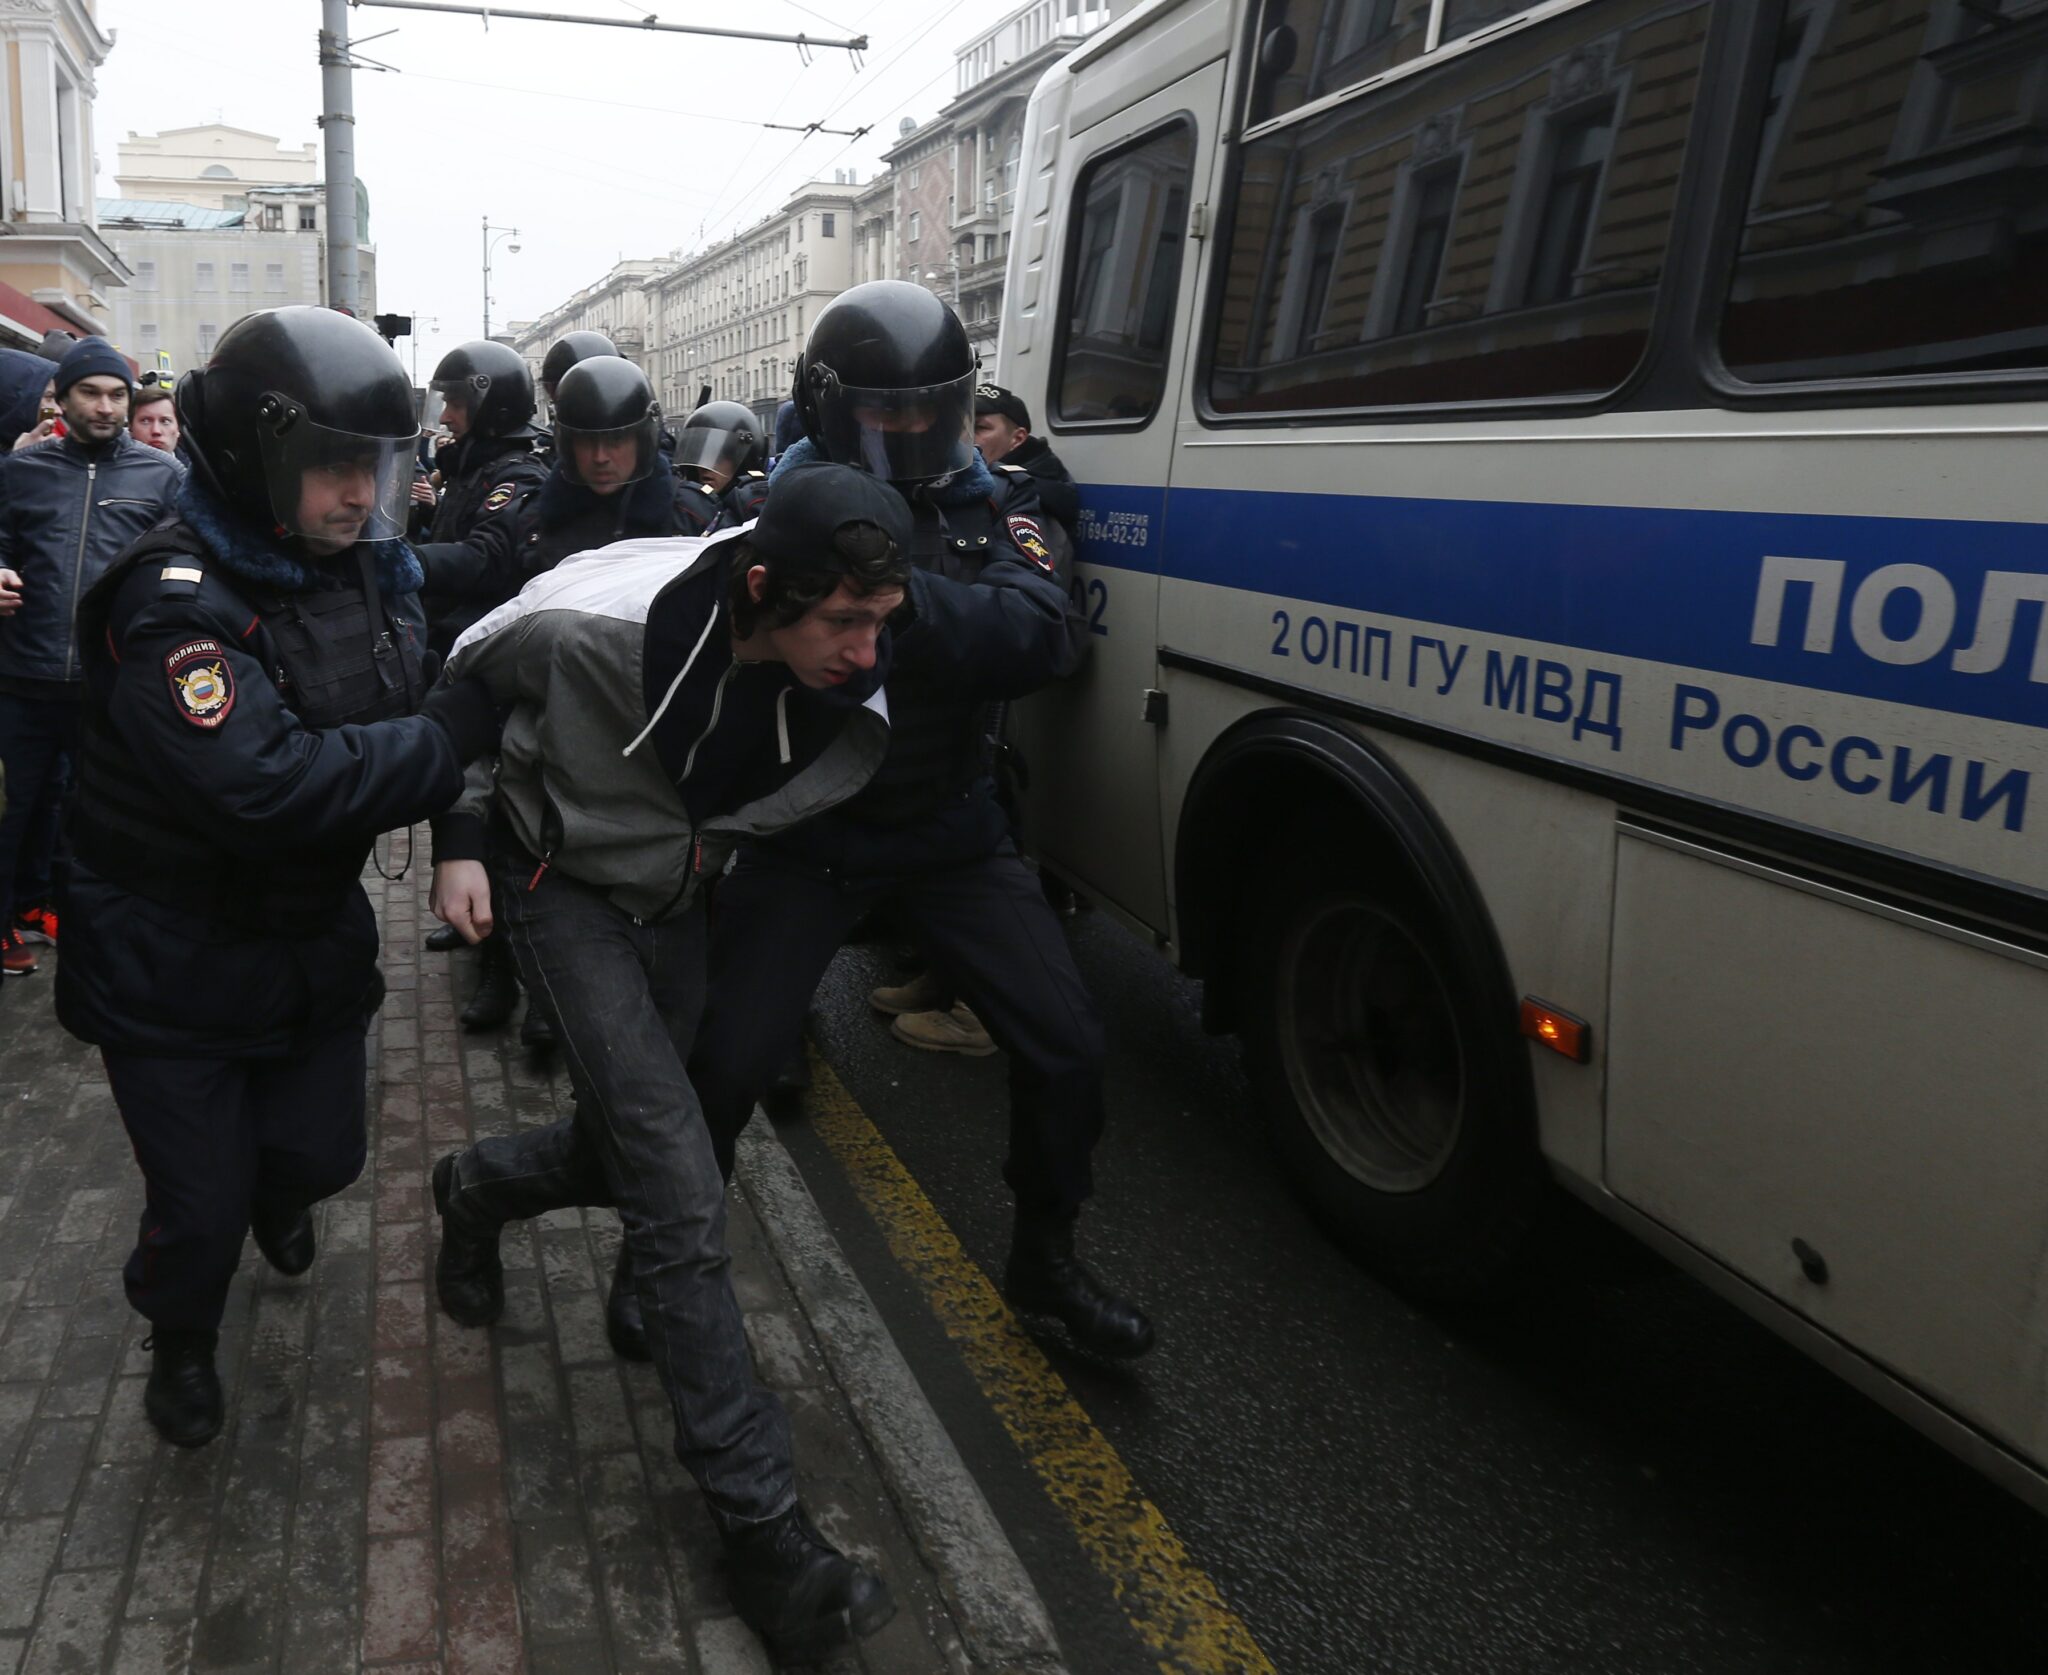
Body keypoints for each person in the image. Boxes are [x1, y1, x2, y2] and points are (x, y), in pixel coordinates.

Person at [425, 463, 917, 1662]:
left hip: (678, 899)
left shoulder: (840, 652)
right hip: (559, 891)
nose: (865, 652)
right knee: (679, 1181)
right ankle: (762, 1530)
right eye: (841, 624)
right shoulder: (588, 632)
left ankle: (477, 1188)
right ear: (759, 588)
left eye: (880, 622)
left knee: (640, 1147)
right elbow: (465, 689)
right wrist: (457, 842)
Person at [54, 306, 499, 1449]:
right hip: (169, 953)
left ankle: (273, 1193)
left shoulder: (355, 568)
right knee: (197, 1210)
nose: (360, 494)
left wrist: (457, 829)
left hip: (302, 936)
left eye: (374, 466)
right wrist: (448, 747)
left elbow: (415, 690)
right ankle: (183, 1337)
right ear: (258, 460)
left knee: (320, 1155)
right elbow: (270, 787)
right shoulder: (174, 601)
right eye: (332, 466)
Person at [687, 282, 1153, 1359]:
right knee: (721, 1066)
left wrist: (890, 590)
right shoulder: (767, 510)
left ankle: (1045, 1260)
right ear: (828, 406)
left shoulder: (994, 509)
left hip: (946, 826)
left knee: (1067, 1045)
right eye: (878, 414)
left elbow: (1041, 637)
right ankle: (667, 1257)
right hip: (802, 832)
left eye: (922, 412)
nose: (902, 435)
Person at [440, 355, 717, 1040]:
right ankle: (507, 966)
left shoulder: (691, 517)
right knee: (524, 839)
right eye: (586, 441)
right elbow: (491, 619)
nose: (601, 457)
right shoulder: (535, 521)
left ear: (645, 436)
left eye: (616, 439)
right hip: (543, 713)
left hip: (646, 720)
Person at [0, 338, 181, 979]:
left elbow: (182, 562)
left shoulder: (163, 477)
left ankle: (62, 910)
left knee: (92, 809)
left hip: (108, 682)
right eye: (91, 392)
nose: (105, 407)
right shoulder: (22, 472)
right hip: (21, 677)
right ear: (65, 399)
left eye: (116, 394)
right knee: (15, 805)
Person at [414, 340, 548, 656]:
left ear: (491, 409)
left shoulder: (519, 476)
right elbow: (458, 530)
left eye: (455, 404)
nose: (445, 417)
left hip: (475, 648)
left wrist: (413, 560)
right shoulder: (472, 468)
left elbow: (486, 557)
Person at [973, 383, 1079, 539]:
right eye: (962, 426)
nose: (965, 435)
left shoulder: (1030, 497)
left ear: (1017, 438)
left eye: (980, 427)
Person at [674, 399, 770, 530]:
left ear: (745, 460)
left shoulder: (756, 508)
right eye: (697, 456)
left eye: (718, 456)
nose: (703, 468)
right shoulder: (685, 509)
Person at [129, 382, 183, 455]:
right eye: (145, 421)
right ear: (130, 427)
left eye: (165, 421)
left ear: (178, 428)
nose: (156, 431)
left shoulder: (199, 463)